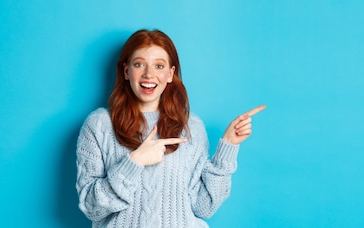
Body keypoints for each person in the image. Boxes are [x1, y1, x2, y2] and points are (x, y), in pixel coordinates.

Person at [76, 29, 265, 228]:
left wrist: (228, 146)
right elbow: (91, 208)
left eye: (159, 66)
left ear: (170, 74)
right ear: (126, 70)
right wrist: (135, 161)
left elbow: (204, 207)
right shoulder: (99, 125)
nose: (149, 74)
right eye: (139, 64)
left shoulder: (191, 126)